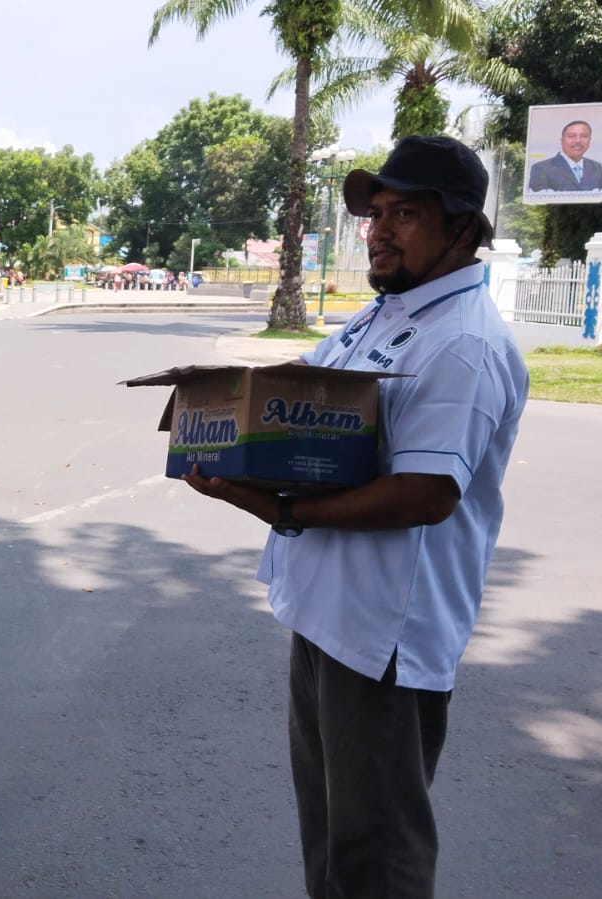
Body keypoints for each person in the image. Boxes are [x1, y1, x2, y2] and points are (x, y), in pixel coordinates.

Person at [184, 135, 529, 897]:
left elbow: (425, 493)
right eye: (376, 213)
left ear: (463, 230)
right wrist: (229, 412)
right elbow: (315, 401)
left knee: (377, 848)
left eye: (404, 213)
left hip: (382, 636)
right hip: (328, 614)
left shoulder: (462, 342)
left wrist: (280, 505)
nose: (378, 229)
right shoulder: (383, 315)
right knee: (334, 833)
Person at [527, 120, 602, 191]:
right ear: (562, 140)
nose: (578, 141)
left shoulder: (596, 167)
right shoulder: (541, 168)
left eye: (584, 136)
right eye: (572, 136)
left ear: (590, 140)